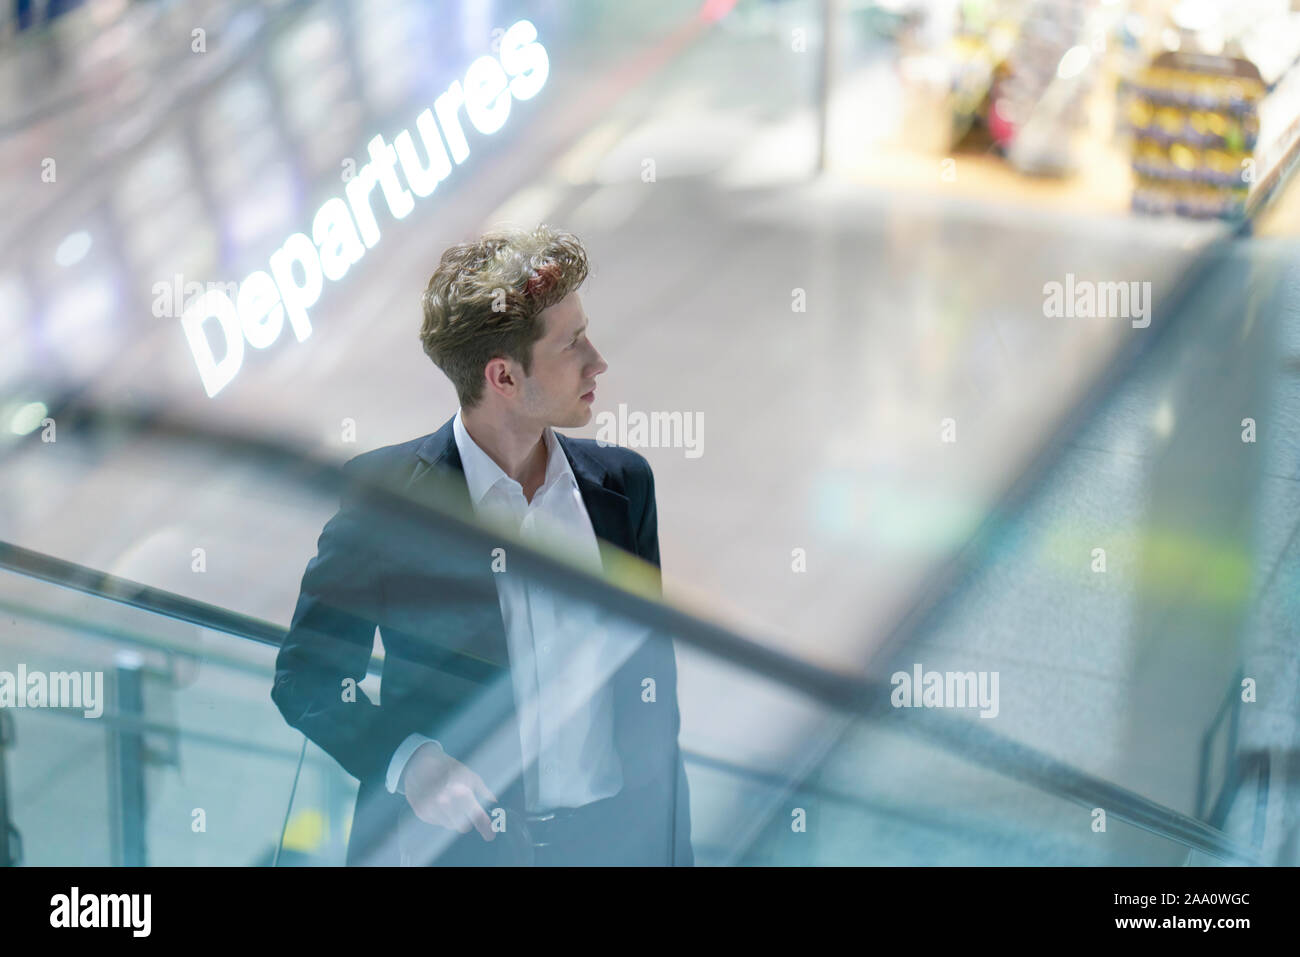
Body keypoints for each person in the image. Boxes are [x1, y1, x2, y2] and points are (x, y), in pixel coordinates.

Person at [271, 224, 692, 866]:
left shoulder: (624, 487)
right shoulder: (388, 502)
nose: (597, 360)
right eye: (572, 342)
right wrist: (407, 761)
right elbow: (308, 676)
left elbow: (654, 706)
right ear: (502, 376)